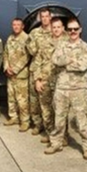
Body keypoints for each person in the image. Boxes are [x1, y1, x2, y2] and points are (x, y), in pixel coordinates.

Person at [45, 18, 87, 160]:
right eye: (70, 29)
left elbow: (83, 66)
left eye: (75, 29)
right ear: (67, 31)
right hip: (62, 87)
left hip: (79, 89)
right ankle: (56, 143)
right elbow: (55, 60)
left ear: (80, 30)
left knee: (82, 120)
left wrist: (65, 62)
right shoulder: (61, 45)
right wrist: (70, 60)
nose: (73, 31)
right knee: (59, 119)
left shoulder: (85, 47)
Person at [32, 16, 66, 144]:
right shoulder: (45, 43)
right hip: (45, 81)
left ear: (63, 28)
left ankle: (62, 136)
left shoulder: (68, 43)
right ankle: (50, 133)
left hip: (61, 82)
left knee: (60, 111)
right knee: (46, 110)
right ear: (51, 28)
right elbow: (37, 61)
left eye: (58, 27)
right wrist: (37, 80)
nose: (56, 29)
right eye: (54, 27)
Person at [25, 8, 53, 135]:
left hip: (50, 72)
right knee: (34, 100)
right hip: (35, 69)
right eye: (42, 17)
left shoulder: (57, 32)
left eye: (47, 16)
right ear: (39, 18)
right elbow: (30, 49)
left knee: (48, 102)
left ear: (50, 17)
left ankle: (50, 129)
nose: (45, 19)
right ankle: (37, 124)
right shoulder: (34, 33)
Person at [3, 18, 31, 132]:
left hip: (20, 74)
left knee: (22, 100)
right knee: (11, 98)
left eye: (18, 25)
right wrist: (6, 67)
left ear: (22, 26)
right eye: (14, 25)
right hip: (10, 74)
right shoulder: (10, 38)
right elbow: (5, 53)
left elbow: (27, 56)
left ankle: (25, 121)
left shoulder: (26, 38)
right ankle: (13, 117)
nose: (16, 27)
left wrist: (14, 69)